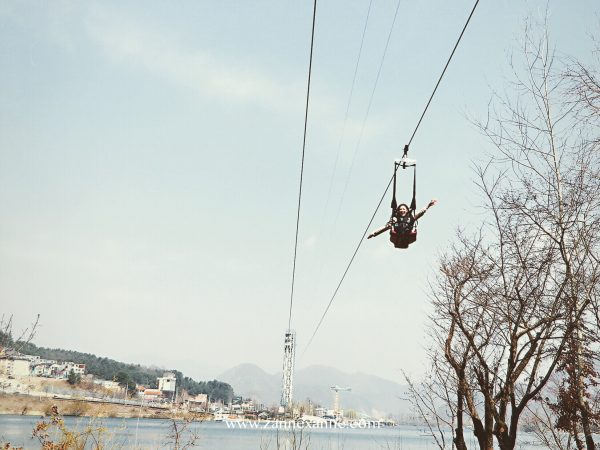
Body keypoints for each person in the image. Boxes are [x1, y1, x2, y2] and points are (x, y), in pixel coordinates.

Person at [367, 199, 437, 248]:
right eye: (400, 209)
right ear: (398, 211)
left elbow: (421, 212)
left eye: (404, 209)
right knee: (391, 225)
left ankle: (403, 239)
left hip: (407, 235)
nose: (402, 210)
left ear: (407, 210)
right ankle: (400, 240)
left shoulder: (411, 218)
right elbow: (385, 227)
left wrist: (428, 205)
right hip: (398, 236)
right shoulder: (395, 219)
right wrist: (374, 233)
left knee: (413, 220)